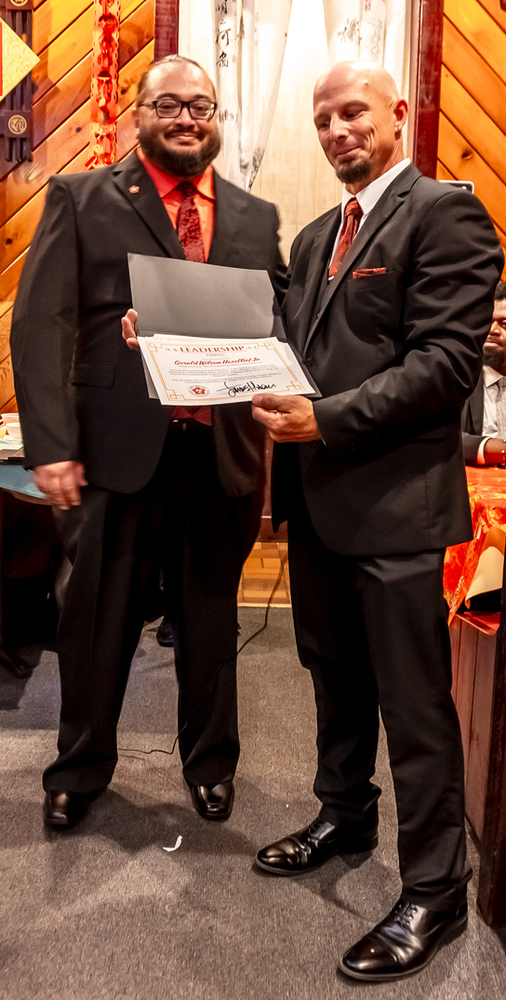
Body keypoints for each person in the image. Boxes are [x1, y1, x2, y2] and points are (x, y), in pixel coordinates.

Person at [251, 61, 502, 982]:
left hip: (397, 510)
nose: (336, 131)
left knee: (415, 706)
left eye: (352, 112)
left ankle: (435, 887)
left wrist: (328, 418)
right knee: (333, 678)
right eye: (322, 120)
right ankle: (344, 814)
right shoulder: (319, 235)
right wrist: (166, 335)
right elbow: (277, 338)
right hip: (318, 506)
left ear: (398, 113)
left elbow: (443, 365)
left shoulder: (448, 214)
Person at [11, 55, 286, 830]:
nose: (186, 119)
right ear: (137, 114)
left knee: (209, 622)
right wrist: (52, 444)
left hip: (218, 453)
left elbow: (274, 325)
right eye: (168, 105)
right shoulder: (82, 197)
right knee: (95, 622)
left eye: (200, 107)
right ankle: (79, 769)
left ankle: (210, 764)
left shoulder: (256, 217)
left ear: (217, 120)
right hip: (113, 452)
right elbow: (41, 325)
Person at [462, 280, 506, 465]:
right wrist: (496, 449)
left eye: (504, 323)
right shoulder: (461, 378)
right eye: (487, 321)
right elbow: (447, 440)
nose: (492, 330)